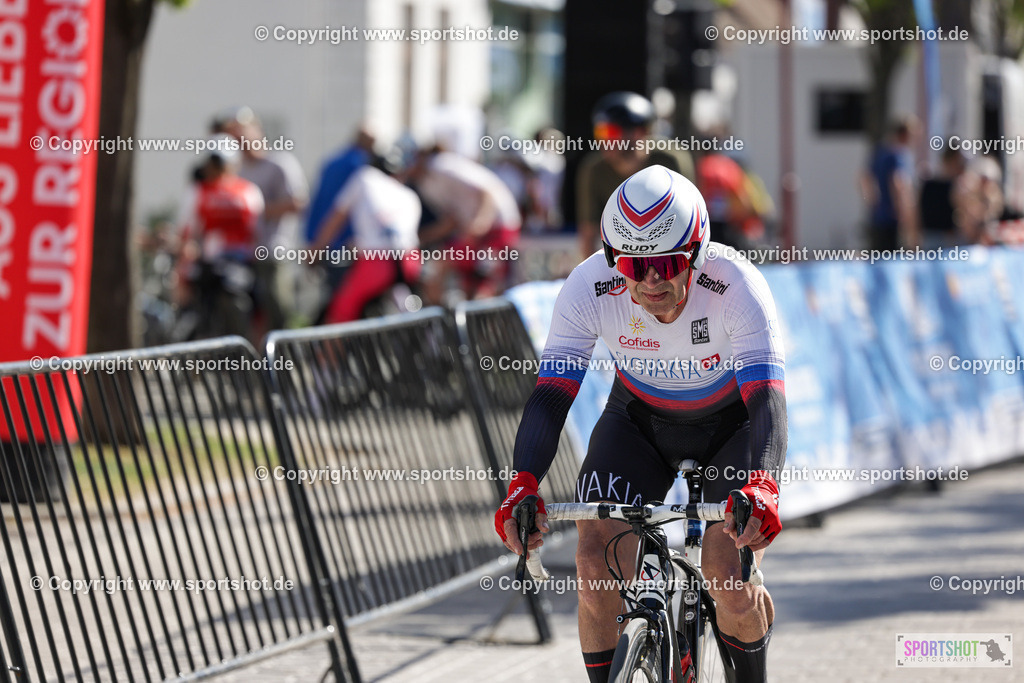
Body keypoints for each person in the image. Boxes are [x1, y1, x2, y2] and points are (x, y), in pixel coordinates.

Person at [494, 165, 787, 683]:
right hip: (639, 423)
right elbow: (550, 397)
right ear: (613, 257)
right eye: (633, 263)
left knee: (727, 578)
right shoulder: (588, 285)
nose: (650, 280)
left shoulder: (737, 285)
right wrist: (522, 485)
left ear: (697, 251)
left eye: (668, 262)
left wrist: (763, 487)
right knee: (592, 566)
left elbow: (766, 399)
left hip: (732, 429)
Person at [218, 106, 309, 331]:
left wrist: (256, 210)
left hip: (273, 251)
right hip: (243, 253)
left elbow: (298, 203)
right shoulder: (237, 170)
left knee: (277, 308)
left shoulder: (280, 163)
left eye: (240, 134)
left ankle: (284, 362)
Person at [576, 92, 696, 261]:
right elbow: (588, 231)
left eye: (611, 132)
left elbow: (691, 221)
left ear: (639, 133)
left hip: (669, 252)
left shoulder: (671, 160)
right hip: (623, 256)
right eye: (599, 133)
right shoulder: (593, 169)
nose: (603, 141)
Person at [308, 155, 422, 323]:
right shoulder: (409, 195)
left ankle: (328, 349)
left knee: (340, 313)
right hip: (410, 261)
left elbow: (336, 219)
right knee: (410, 309)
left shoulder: (364, 176)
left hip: (377, 263)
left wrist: (315, 252)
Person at [408, 146, 521, 304]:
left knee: (486, 283)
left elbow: (487, 191)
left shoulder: (442, 165)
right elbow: (451, 219)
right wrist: (418, 239)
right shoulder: (425, 185)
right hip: (472, 232)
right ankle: (444, 319)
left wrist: (479, 224)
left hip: (498, 225)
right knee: (438, 269)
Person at [177, 135, 264, 340]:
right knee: (192, 312)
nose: (215, 168)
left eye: (219, 162)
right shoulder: (198, 191)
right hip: (207, 266)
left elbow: (257, 232)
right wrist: (183, 266)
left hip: (241, 265)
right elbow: (187, 232)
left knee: (254, 307)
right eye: (212, 162)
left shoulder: (249, 191)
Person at [860, 116, 919, 252]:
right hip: (894, 218)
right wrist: (903, 213)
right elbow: (898, 183)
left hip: (879, 216)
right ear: (904, 134)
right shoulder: (898, 154)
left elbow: (864, 178)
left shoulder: (880, 152)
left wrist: (872, 202)